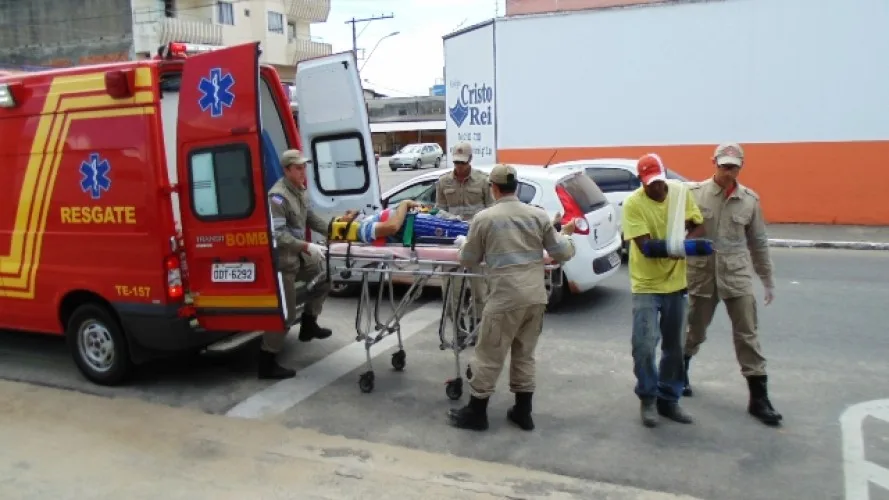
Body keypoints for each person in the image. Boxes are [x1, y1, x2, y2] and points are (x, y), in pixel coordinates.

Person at [447, 164, 577, 432]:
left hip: (505, 299)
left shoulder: (484, 219)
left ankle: (477, 413)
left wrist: (463, 246)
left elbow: (469, 260)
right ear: (515, 186)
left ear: (493, 188)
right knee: (524, 354)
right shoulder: (538, 216)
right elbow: (561, 252)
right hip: (535, 298)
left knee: (489, 354)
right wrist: (568, 236)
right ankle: (522, 411)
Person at [683, 143, 783, 426]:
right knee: (693, 330)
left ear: (741, 167)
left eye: (733, 167)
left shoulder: (749, 200)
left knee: (747, 334)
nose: (728, 171)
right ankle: (680, 373)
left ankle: (759, 398)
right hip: (702, 274)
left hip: (736, 275)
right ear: (714, 163)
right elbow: (680, 235)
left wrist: (767, 280)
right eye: (723, 166)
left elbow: (758, 242)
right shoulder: (695, 195)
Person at [622, 153, 705, 428]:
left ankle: (669, 399)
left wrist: (688, 240)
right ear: (641, 182)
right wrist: (680, 248)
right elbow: (646, 248)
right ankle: (647, 397)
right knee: (644, 345)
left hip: (676, 284)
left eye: (658, 181)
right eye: (649, 183)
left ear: (664, 175)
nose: (655, 187)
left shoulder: (681, 194)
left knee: (675, 346)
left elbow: (697, 223)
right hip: (646, 284)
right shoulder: (634, 203)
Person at [262, 149, 334, 379]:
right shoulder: (278, 197)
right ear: (286, 170)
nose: (303, 172)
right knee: (285, 313)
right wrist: (306, 246)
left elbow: (311, 218)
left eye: (304, 167)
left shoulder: (300, 191)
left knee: (326, 276)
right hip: (284, 262)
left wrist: (335, 231)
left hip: (299, 258)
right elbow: (278, 235)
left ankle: (309, 324)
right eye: (298, 168)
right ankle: (266, 362)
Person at [435, 141, 494, 334]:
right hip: (451, 241)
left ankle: (476, 330)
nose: (459, 167)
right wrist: (453, 219)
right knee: (452, 291)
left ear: (470, 160)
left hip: (477, 240)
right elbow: (439, 210)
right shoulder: (443, 182)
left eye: (463, 163)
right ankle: (458, 331)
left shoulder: (483, 181)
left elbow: (492, 210)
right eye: (456, 163)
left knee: (479, 289)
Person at [336, 200, 469, 245]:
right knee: (464, 230)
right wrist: (404, 204)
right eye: (344, 216)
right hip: (418, 227)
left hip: (418, 221)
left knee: (463, 225)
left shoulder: (366, 221)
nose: (347, 211)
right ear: (344, 227)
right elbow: (392, 227)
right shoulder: (363, 229)